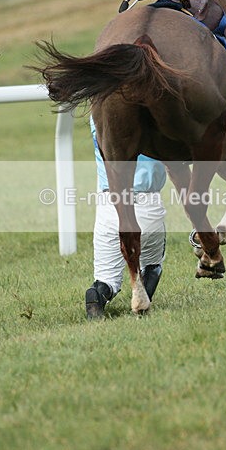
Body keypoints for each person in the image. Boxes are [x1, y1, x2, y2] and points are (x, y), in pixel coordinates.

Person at [85, 118, 167, 320]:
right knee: (152, 265)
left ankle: (97, 298)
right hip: (149, 206)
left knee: (105, 281)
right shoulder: (155, 107)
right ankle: (142, 301)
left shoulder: (97, 113)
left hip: (108, 205)